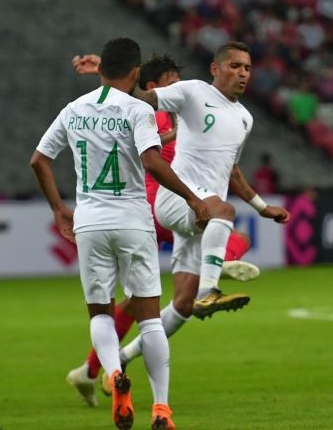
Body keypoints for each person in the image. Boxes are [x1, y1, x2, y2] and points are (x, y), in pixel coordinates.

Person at [31, 37, 211, 429]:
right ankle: (161, 408)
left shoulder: (73, 109)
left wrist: (59, 209)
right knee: (149, 321)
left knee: (101, 313)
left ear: (100, 70)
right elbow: (151, 161)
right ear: (135, 73)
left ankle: (113, 374)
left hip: (90, 224)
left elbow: (39, 160)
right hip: (132, 221)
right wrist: (193, 197)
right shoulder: (136, 110)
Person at [66, 53, 259, 405]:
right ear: (152, 86)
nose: (178, 88)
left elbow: (227, 163)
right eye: (170, 83)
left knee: (159, 302)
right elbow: (143, 143)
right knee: (233, 233)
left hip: (174, 205)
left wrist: (260, 203)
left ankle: (95, 369)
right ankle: (217, 269)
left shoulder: (195, 112)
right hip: (161, 204)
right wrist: (107, 75)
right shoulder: (150, 113)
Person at [73, 41, 290, 323]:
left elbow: (232, 170)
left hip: (202, 212)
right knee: (226, 213)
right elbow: (143, 96)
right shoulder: (194, 91)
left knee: (182, 306)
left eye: (247, 68)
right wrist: (108, 69)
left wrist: (262, 208)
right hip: (178, 198)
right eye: (235, 66)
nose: (243, 73)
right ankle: (211, 286)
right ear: (215, 68)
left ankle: (122, 358)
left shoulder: (245, 118)